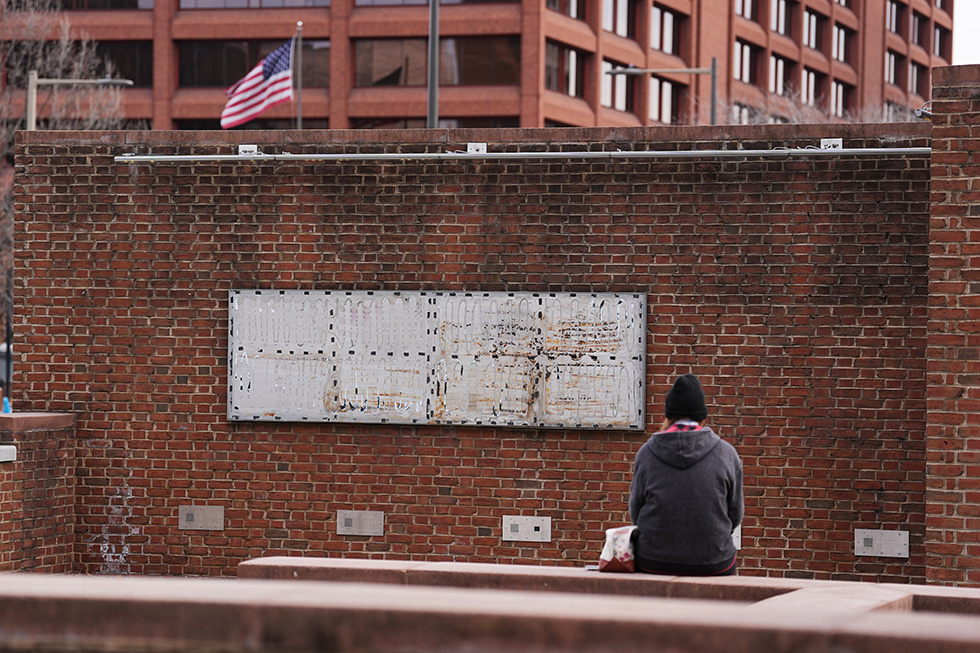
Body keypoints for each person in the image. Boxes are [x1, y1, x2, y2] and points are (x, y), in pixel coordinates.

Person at [629, 373, 744, 576]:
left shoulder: (646, 453)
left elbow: (636, 511)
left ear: (668, 414)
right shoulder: (726, 453)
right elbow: (735, 513)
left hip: (653, 559)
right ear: (702, 416)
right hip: (714, 561)